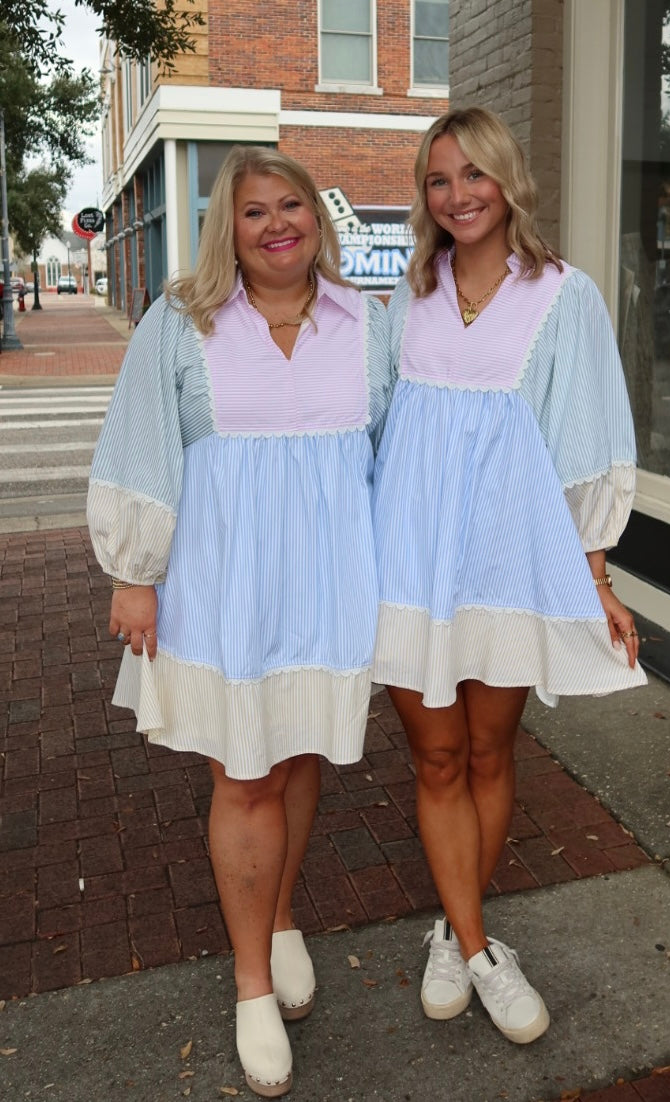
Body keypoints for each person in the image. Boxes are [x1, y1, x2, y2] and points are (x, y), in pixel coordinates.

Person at [87, 146, 391, 1098]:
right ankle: (252, 983)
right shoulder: (179, 322)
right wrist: (135, 573)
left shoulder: (366, 324)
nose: (275, 225)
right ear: (229, 227)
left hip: (330, 584)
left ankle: (281, 913)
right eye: (252, 211)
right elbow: (141, 446)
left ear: (316, 217)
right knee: (244, 772)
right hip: (224, 585)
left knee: (295, 756)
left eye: (289, 205)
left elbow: (388, 461)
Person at [372, 107, 647, 1045]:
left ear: (507, 181)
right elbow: (364, 434)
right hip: (407, 562)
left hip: (505, 560)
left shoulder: (562, 295)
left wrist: (595, 575)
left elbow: (584, 437)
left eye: (474, 175)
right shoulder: (404, 298)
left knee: (489, 754)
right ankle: (484, 951)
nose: (458, 195)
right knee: (436, 757)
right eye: (439, 180)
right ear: (425, 195)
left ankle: (456, 932)